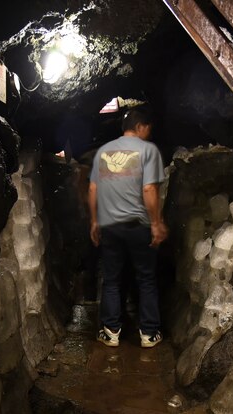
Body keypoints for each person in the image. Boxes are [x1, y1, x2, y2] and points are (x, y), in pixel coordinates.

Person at [88, 108, 168, 348]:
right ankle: (149, 334)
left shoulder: (104, 151)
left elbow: (92, 189)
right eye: (149, 128)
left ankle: (111, 332)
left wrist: (94, 221)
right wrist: (156, 223)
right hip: (138, 226)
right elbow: (149, 190)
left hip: (110, 225)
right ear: (141, 126)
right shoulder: (148, 150)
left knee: (112, 279)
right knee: (146, 278)